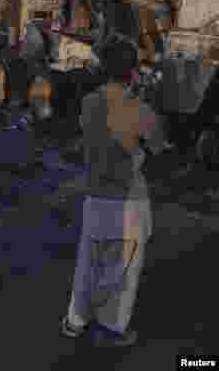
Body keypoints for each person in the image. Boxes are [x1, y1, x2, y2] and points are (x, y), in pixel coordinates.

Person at [60, 36, 166, 348]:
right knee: (121, 274)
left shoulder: (89, 103)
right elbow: (158, 145)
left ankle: (75, 321)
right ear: (133, 72)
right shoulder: (140, 109)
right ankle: (109, 329)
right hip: (128, 202)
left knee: (87, 266)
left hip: (95, 196)